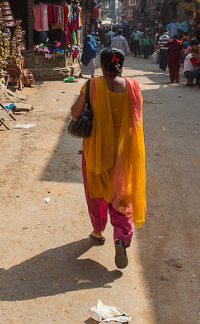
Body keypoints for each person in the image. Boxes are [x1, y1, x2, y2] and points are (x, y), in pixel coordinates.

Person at [69, 48, 146, 270]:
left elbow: (75, 113)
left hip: (96, 149)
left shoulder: (92, 85)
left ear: (101, 65)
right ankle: (121, 237)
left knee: (96, 192)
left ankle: (98, 230)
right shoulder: (133, 86)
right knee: (121, 193)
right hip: (122, 152)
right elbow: (136, 120)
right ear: (121, 65)